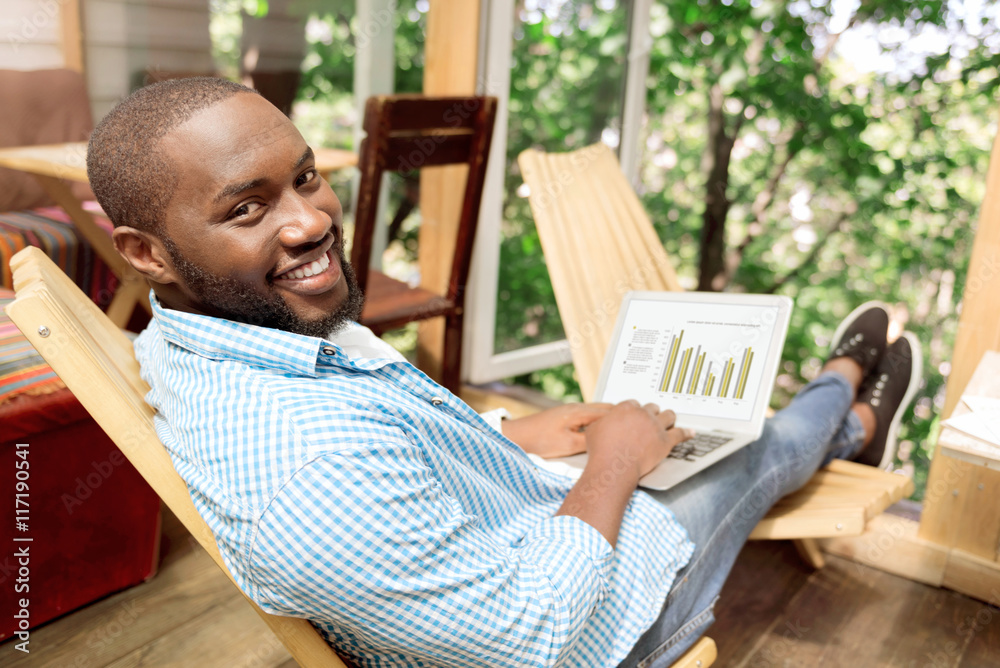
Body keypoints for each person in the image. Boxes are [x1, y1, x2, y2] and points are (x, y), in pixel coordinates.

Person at [87, 77, 922, 668]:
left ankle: (842, 396)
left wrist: (512, 433)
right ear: (145, 252)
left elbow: (387, 443)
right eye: (247, 207)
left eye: (304, 178)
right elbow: (535, 632)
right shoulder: (309, 473)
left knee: (675, 427)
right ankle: (851, 406)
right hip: (594, 634)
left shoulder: (216, 327)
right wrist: (613, 466)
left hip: (515, 530)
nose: (311, 222)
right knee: (751, 443)